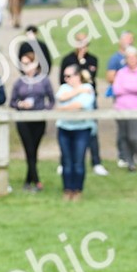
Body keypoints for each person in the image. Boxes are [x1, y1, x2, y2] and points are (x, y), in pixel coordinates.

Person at [59, 33, 107, 176]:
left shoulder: (92, 59)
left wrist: (81, 61)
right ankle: (64, 163)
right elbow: (62, 81)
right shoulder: (67, 59)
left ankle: (96, 162)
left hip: (87, 99)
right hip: (70, 99)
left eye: (85, 43)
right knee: (66, 132)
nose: (82, 46)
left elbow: (88, 79)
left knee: (91, 131)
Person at [9, 49, 54, 192]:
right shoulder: (19, 82)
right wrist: (20, 105)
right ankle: (37, 181)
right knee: (29, 149)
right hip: (23, 121)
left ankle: (28, 181)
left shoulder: (44, 80)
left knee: (34, 150)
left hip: (38, 120)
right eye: (23, 64)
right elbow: (12, 102)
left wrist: (44, 110)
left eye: (28, 63)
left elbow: (51, 100)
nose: (25, 66)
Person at [55, 64, 96, 201]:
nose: (66, 79)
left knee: (78, 161)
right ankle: (67, 190)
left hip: (82, 129)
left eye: (69, 76)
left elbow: (81, 105)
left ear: (78, 76)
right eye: (64, 76)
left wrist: (64, 107)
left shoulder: (89, 88)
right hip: (64, 129)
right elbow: (60, 99)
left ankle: (77, 190)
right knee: (66, 161)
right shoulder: (65, 88)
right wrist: (78, 91)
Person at [112, 47, 137, 172]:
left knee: (135, 138)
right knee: (124, 138)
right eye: (129, 58)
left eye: (134, 57)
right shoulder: (121, 72)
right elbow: (116, 89)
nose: (132, 60)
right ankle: (130, 164)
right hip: (121, 109)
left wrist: (126, 87)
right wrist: (131, 87)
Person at [104, 31, 134, 167]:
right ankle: (122, 156)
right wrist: (127, 83)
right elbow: (110, 77)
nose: (130, 41)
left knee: (136, 128)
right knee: (123, 129)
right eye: (127, 39)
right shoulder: (115, 59)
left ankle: (134, 155)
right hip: (121, 99)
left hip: (135, 100)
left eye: (131, 39)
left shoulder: (135, 57)